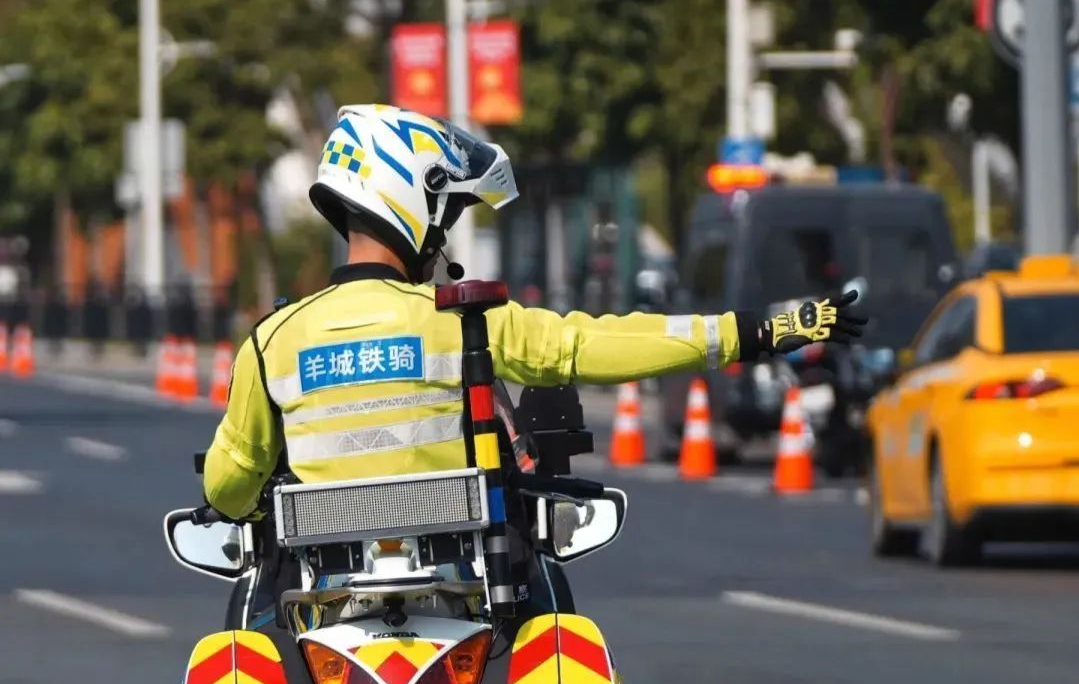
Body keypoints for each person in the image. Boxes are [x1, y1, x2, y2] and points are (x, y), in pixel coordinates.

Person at [203, 104, 864, 520]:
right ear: (416, 200)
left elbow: (228, 489)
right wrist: (758, 331)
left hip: (322, 613)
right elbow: (596, 345)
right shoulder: (460, 320)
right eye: (449, 213)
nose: (444, 235)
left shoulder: (272, 343)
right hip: (461, 602)